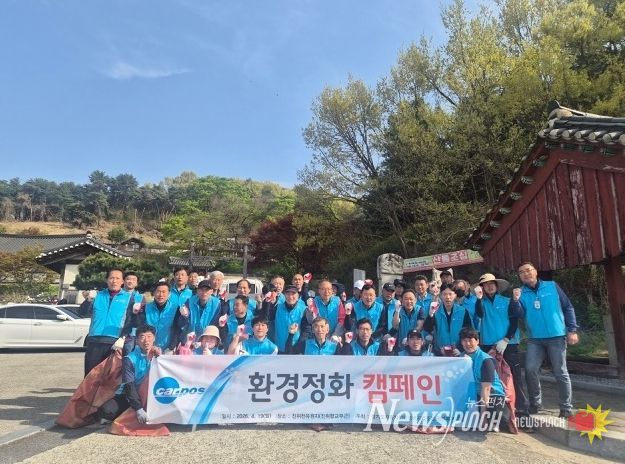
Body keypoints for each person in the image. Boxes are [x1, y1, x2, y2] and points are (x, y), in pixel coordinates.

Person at [516, 262, 579, 418]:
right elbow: (519, 315)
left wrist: (572, 330)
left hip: (557, 336)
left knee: (560, 372)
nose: (526, 274)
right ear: (519, 276)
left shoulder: (552, 286)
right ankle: (535, 403)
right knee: (530, 369)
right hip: (535, 339)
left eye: (528, 270)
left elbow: (568, 306)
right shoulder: (521, 293)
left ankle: (565, 407)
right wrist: (515, 301)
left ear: (535, 272)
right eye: (522, 272)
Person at [474, 273, 528, 417]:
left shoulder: (507, 301)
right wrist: (478, 299)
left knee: (514, 377)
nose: (489, 286)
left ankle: (521, 411)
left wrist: (506, 339)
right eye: (485, 285)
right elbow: (479, 314)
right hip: (488, 345)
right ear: (482, 288)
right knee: (492, 380)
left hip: (508, 344)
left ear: (496, 286)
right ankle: (497, 413)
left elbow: (514, 322)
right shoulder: (480, 303)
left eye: (492, 283)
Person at [98, 324, 159, 423]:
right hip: (130, 395)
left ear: (154, 338)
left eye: (149, 337)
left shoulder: (159, 355)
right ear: (137, 340)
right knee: (106, 411)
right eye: (142, 337)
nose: (146, 341)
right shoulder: (129, 359)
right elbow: (129, 386)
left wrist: (160, 356)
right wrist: (138, 408)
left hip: (152, 394)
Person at [84, 269, 135, 376]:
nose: (114, 281)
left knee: (110, 378)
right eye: (111, 278)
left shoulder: (128, 298)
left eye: (117, 278)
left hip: (114, 342)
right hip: (95, 340)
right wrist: (87, 300)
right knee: (91, 376)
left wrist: (122, 338)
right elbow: (83, 312)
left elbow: (130, 321)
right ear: (107, 280)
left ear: (122, 281)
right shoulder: (98, 295)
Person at [460, 327, 506, 431]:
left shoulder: (486, 360)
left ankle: (491, 420)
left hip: (491, 395)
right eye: (464, 341)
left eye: (470, 340)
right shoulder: (461, 358)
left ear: (477, 341)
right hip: (473, 394)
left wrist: (483, 416)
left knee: (492, 419)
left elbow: (486, 389)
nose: (468, 344)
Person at [423, 283, 473, 356]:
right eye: (444, 294)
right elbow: (427, 329)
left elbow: (468, 332)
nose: (448, 297)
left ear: (455, 295)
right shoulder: (435, 311)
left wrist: (461, 349)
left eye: (450, 294)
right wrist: (431, 315)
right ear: (440, 295)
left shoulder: (463, 311)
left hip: (458, 351)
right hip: (440, 351)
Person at [264, 285, 307, 353]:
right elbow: (266, 318)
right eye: (288, 294)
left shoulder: (304, 309)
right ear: (284, 295)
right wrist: (268, 303)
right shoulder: (277, 307)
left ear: (298, 296)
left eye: (293, 294)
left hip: (296, 348)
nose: (290, 297)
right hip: (279, 347)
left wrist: (300, 346)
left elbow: (306, 331)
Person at [138, 282, 178, 353]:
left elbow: (177, 330)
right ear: (154, 293)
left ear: (169, 294)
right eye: (158, 291)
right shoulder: (145, 308)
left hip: (167, 349)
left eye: (164, 292)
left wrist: (171, 347)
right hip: (148, 348)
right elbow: (140, 327)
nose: (161, 295)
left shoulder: (175, 308)